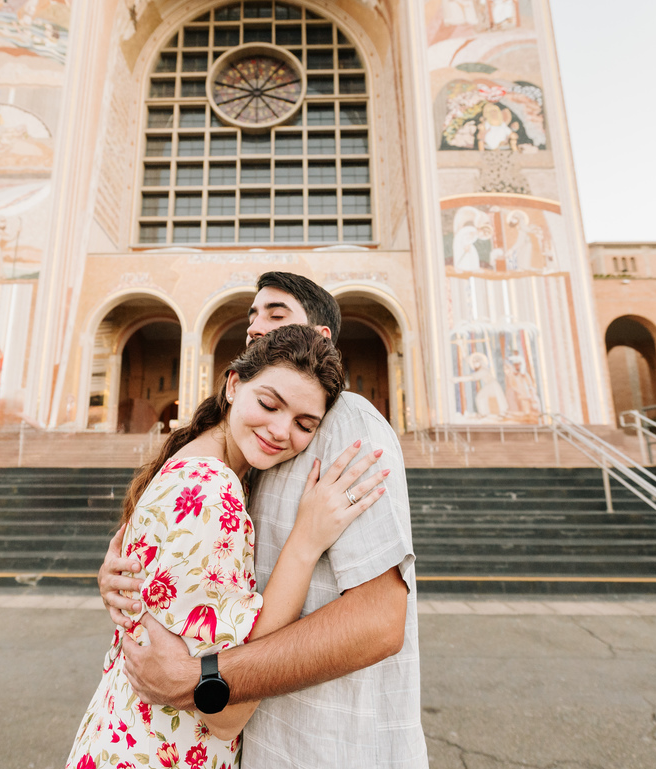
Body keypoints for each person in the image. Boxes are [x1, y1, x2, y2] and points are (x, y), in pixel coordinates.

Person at [99, 272, 429, 768]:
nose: (254, 328)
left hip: (332, 747)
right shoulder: (233, 469)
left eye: (276, 316)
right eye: (251, 317)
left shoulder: (348, 423)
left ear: (321, 341)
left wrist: (201, 679)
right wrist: (122, 576)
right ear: (237, 385)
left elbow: (381, 620)